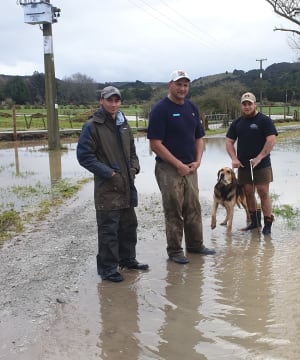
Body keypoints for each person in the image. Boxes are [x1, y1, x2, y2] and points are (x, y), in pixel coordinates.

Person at [77, 86, 148, 282]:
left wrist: (135, 168)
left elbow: (132, 151)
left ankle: (127, 260)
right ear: (102, 100)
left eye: (117, 100)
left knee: (129, 226)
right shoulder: (92, 126)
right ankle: (108, 269)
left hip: (126, 185)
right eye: (110, 100)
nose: (114, 104)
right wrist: (109, 173)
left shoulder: (123, 123)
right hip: (107, 188)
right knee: (109, 230)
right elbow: (84, 156)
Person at [147, 70, 215, 264]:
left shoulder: (192, 108)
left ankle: (195, 245)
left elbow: (199, 138)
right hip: (169, 169)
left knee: (193, 206)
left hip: (191, 167)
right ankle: (175, 251)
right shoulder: (160, 109)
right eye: (179, 84)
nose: (182, 88)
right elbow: (155, 144)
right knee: (174, 209)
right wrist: (178, 164)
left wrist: (198, 161)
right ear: (170, 85)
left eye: (186, 85)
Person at [226, 92, 278, 235]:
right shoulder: (237, 123)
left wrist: (260, 157)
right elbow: (229, 142)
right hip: (243, 165)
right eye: (244, 104)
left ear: (255, 104)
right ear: (241, 106)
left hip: (261, 164)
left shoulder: (264, 120)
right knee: (248, 193)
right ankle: (255, 222)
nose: (247, 106)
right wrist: (234, 158)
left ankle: (267, 224)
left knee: (263, 192)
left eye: (250, 103)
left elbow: (271, 140)